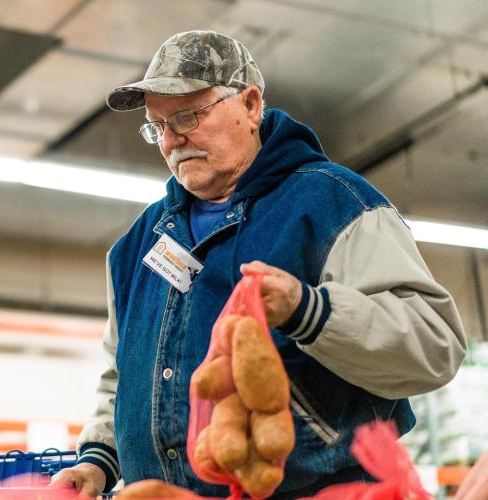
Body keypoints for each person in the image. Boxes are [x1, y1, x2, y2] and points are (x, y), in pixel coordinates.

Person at [51, 30, 466, 499]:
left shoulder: (333, 204)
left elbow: (436, 344)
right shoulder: (138, 244)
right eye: (157, 126)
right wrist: (98, 461)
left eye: (187, 115)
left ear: (250, 106)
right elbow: (119, 377)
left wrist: (311, 312)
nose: (171, 140)